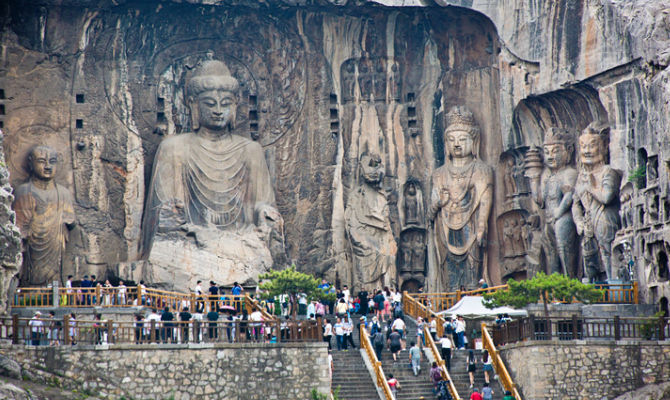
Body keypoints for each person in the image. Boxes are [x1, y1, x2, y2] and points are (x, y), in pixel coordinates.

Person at [13, 145, 75, 287]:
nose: (48, 166)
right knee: (31, 276)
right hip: (32, 249)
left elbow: (71, 222)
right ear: (30, 162)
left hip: (55, 245)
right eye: (41, 161)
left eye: (52, 161)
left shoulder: (63, 193)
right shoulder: (23, 191)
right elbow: (19, 229)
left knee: (54, 278)